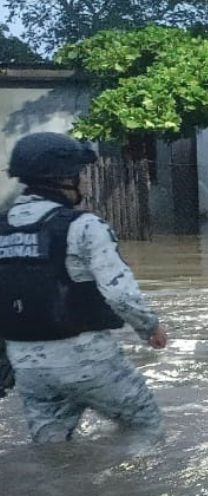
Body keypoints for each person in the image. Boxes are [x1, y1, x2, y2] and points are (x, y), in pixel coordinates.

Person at [0, 132, 169, 442]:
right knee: (146, 425)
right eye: (81, 175)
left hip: (27, 365)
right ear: (64, 179)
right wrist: (150, 328)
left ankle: (52, 490)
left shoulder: (2, 227)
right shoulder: (84, 226)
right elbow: (121, 295)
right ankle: (131, 488)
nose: (86, 183)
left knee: (51, 445)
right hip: (88, 359)